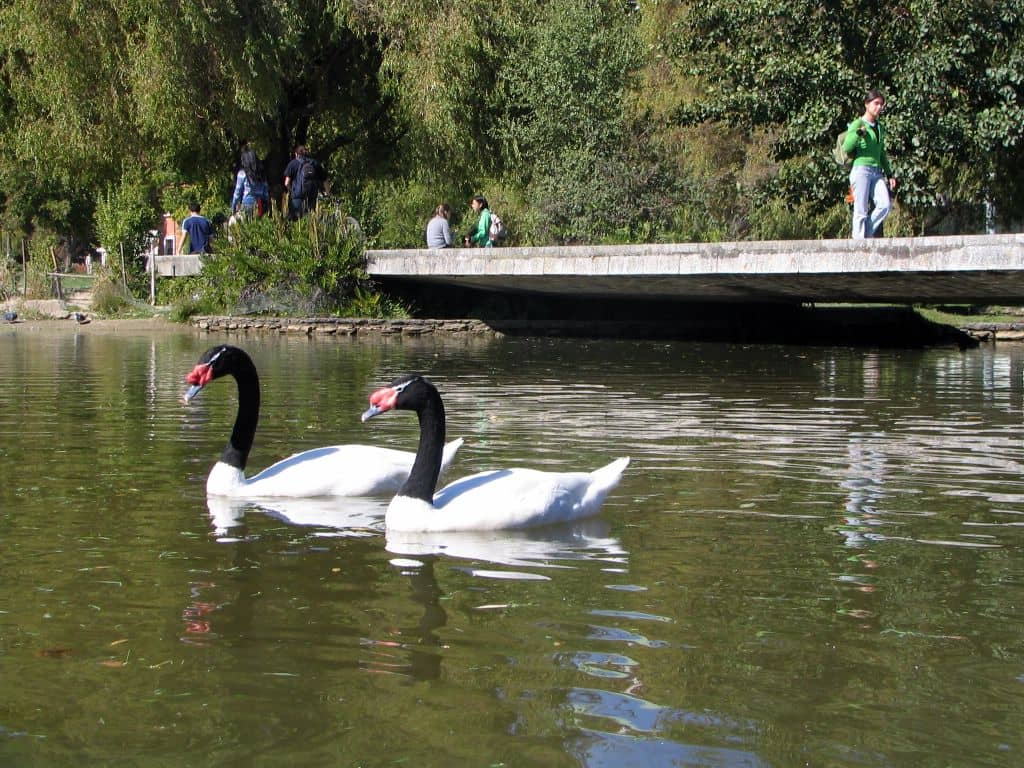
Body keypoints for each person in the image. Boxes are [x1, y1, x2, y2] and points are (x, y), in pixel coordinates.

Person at [843, 89, 897, 239]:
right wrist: (859, 133)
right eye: (876, 103)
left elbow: (881, 153)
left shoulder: (879, 127)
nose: (879, 107)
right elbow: (847, 147)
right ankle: (859, 243)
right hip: (861, 170)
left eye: (881, 104)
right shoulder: (858, 123)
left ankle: (865, 235)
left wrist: (889, 173)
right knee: (861, 210)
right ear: (867, 104)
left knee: (884, 205)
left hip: (876, 171)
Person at [283, 145, 322, 220]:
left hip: (297, 198)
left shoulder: (293, 163)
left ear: (296, 154)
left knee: (294, 221)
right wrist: (328, 193)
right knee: (310, 221)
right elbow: (324, 179)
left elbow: (286, 183)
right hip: (311, 197)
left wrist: (291, 191)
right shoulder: (314, 163)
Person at [231, 148, 271, 219]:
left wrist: (233, 208)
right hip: (260, 205)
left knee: (247, 228)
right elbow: (266, 193)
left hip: (247, 205)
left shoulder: (242, 174)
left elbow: (237, 193)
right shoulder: (261, 173)